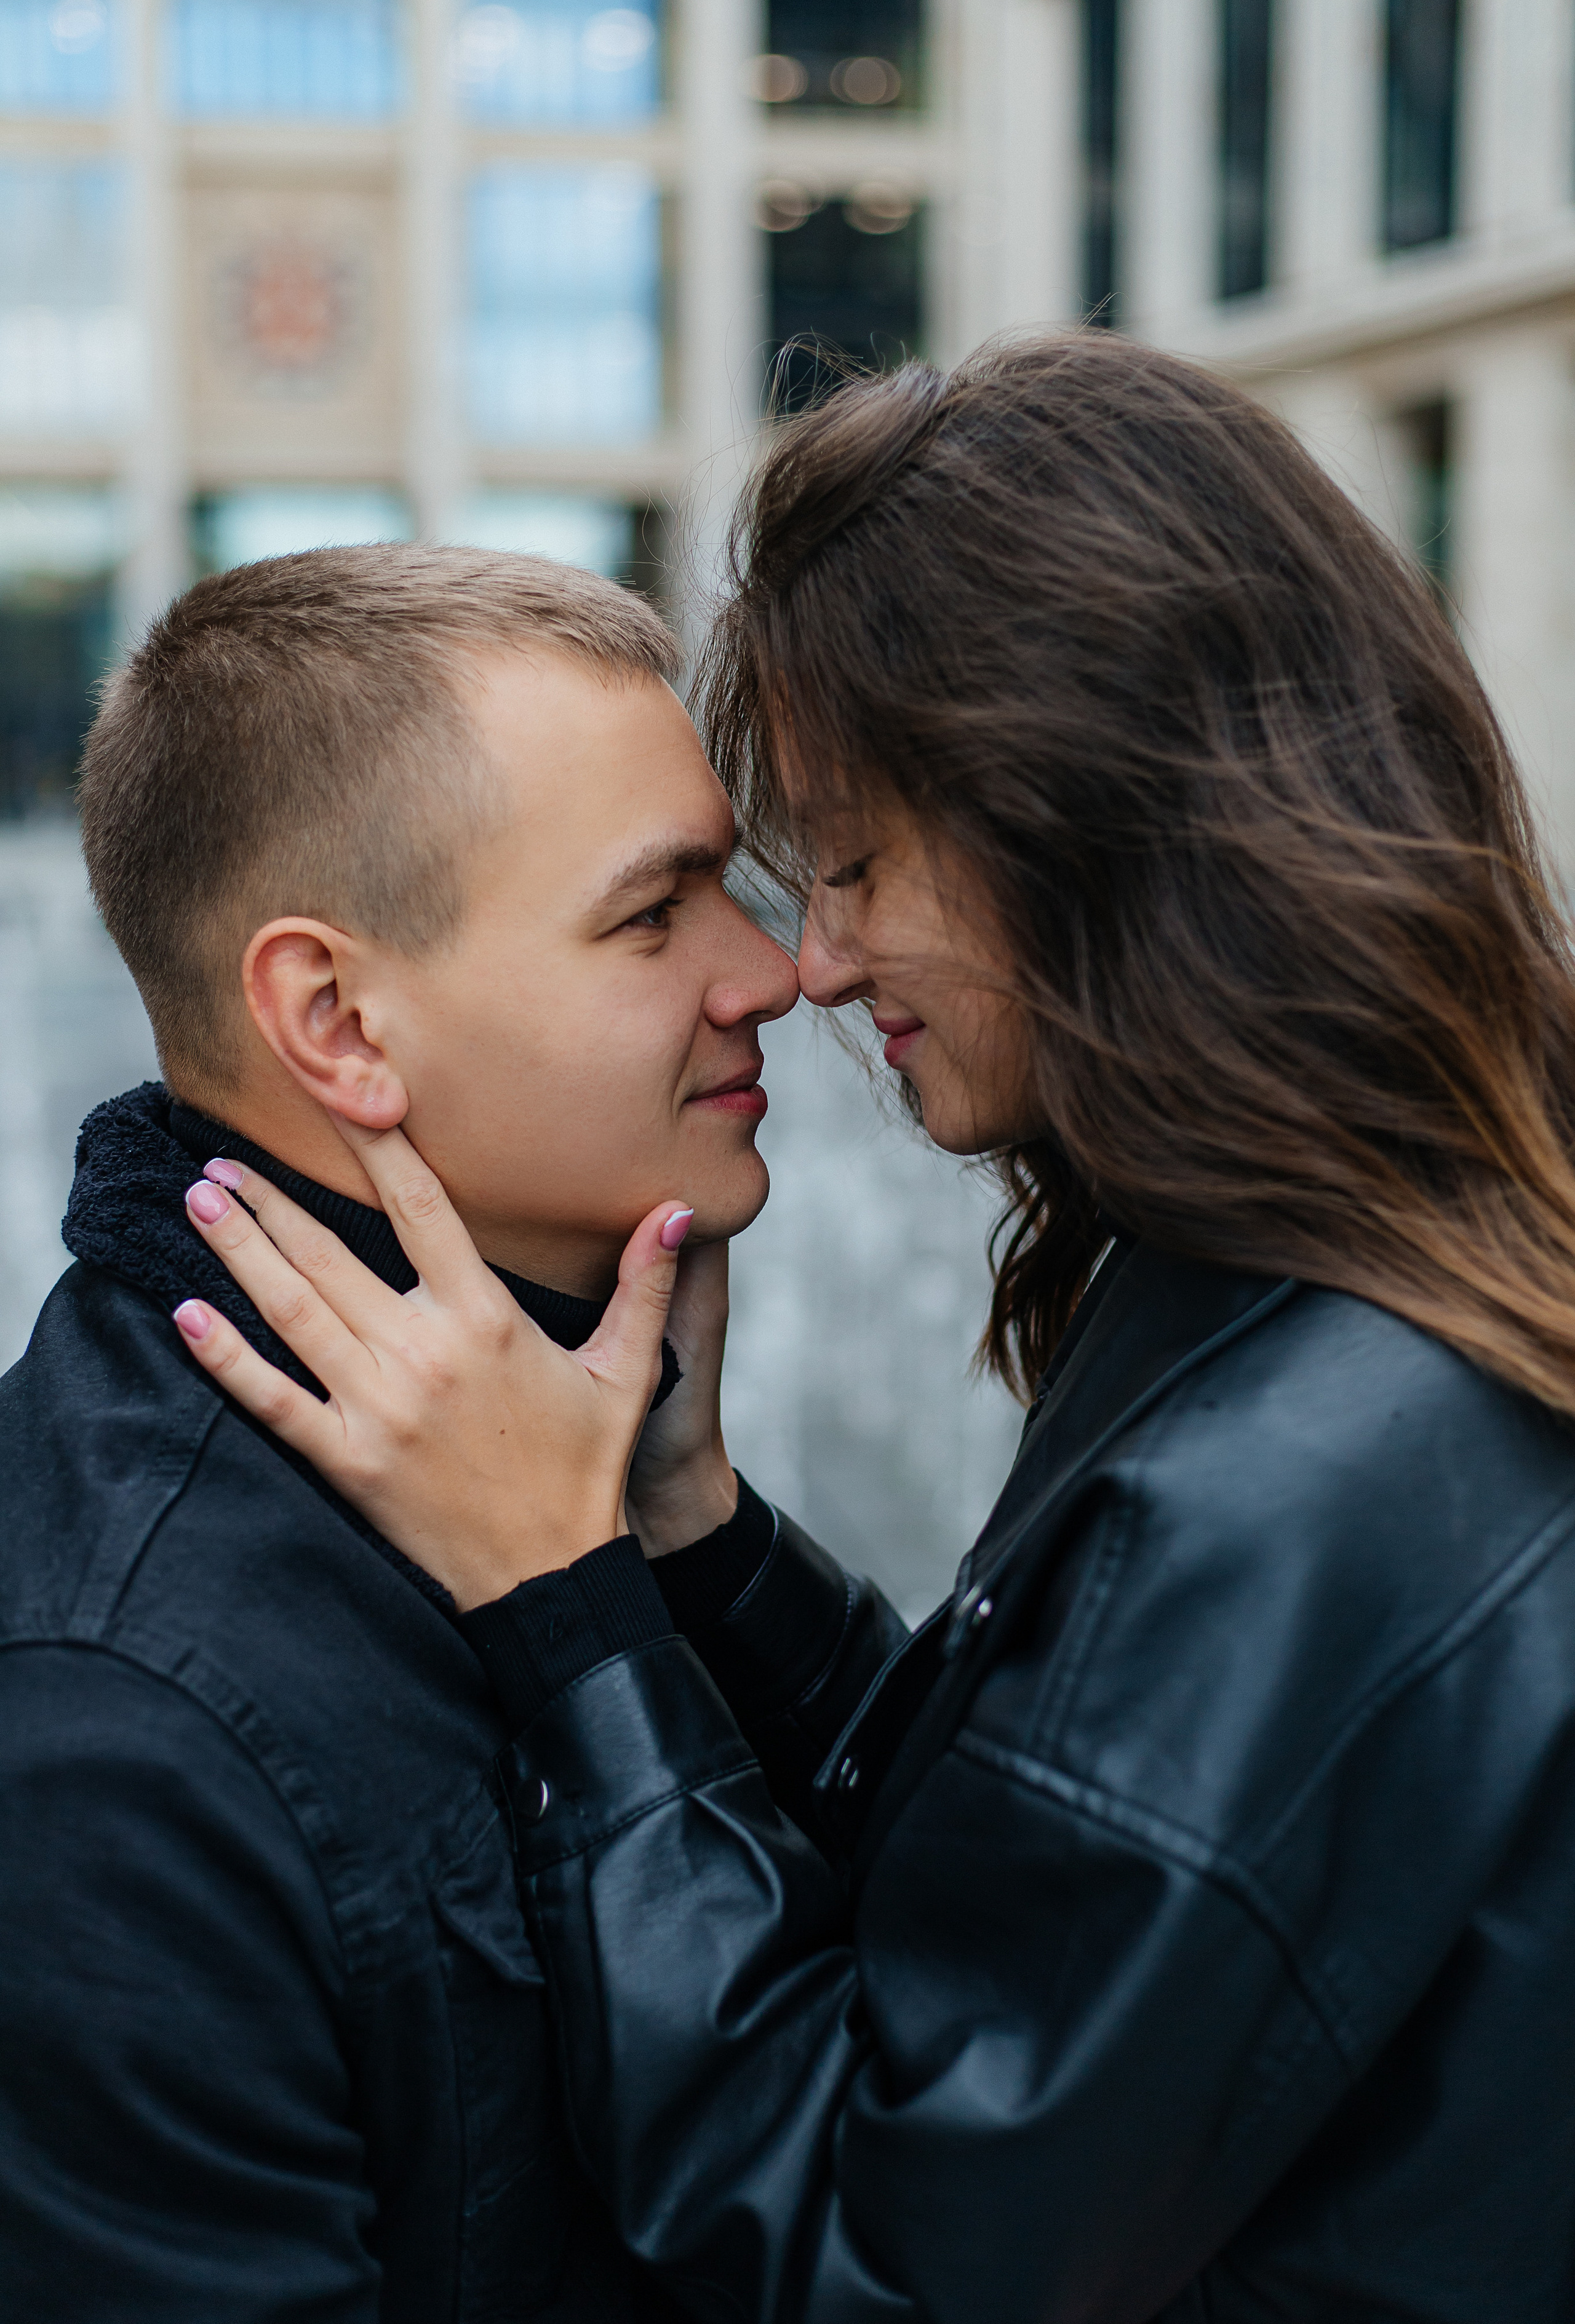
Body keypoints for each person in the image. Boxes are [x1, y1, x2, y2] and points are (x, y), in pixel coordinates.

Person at [175, 333, 1575, 2322]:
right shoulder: (1350, 1284)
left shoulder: (1322, 1466)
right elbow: (1050, 1876)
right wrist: (699, 1543)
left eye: (847, 858)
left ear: (1072, 811)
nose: (810, 964)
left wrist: (569, 1615)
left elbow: (877, 2259)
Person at [0, 542, 799, 2319]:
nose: (776, 973)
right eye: (657, 912)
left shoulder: (583, 1451)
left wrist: (692, 1542)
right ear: (340, 1022)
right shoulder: (112, 1737)